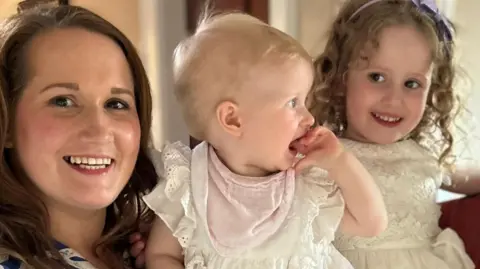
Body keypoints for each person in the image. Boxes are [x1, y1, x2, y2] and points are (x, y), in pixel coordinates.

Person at [141, 11, 387, 269]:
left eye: (304, 102)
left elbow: (372, 224)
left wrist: (340, 162)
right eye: (293, 103)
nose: (309, 118)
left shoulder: (306, 180)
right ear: (233, 120)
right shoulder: (191, 184)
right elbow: (161, 255)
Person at [310, 0, 477, 268]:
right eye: (376, 77)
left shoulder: (423, 158)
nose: (394, 99)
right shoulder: (323, 153)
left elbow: (467, 177)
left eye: (412, 83)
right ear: (342, 79)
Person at [0, 4, 157, 269]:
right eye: (62, 101)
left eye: (116, 103)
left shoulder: (164, 245)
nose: (99, 128)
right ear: (6, 124)